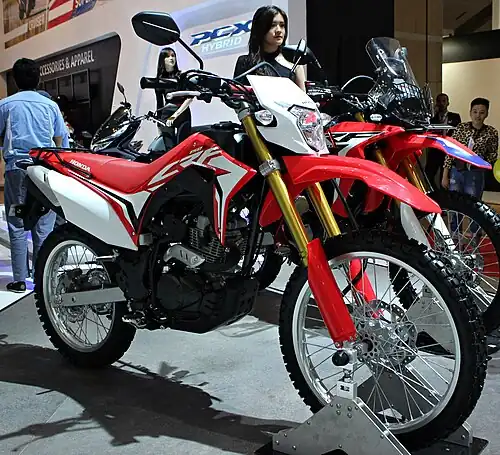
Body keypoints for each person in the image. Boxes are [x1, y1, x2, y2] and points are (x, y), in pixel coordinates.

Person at [0, 58, 66, 292]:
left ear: (15, 80)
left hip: (16, 170)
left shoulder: (5, 105)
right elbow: (61, 140)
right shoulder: (50, 106)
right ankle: (41, 279)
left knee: (16, 223)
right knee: (44, 225)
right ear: (38, 78)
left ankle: (19, 280)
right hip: (45, 170)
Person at [442, 97, 499, 240]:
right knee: (455, 204)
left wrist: (482, 162)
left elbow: (492, 154)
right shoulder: (461, 128)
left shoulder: (491, 132)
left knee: (474, 205)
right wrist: (445, 174)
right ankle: (455, 235)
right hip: (457, 170)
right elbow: (451, 151)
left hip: (475, 172)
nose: (478, 115)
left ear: (486, 114)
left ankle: (474, 236)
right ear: (470, 112)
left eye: (482, 112)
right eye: (475, 111)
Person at [233, 5, 306, 91]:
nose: (279, 30)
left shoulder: (294, 63)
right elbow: (236, 96)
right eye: (272, 25)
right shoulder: (245, 62)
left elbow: (304, 98)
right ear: (260, 29)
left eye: (282, 25)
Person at [155, 47, 192, 148]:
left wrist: (175, 115)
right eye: (167, 56)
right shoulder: (159, 80)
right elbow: (159, 103)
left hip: (182, 112)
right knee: (169, 148)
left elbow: (190, 97)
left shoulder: (182, 76)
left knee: (182, 147)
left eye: (173, 56)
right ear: (162, 60)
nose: (171, 58)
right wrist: (159, 124)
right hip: (167, 112)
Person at [425, 93, 461, 188]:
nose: (441, 103)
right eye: (439, 101)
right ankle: (434, 193)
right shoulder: (432, 119)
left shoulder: (455, 117)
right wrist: (433, 114)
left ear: (448, 103)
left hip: (448, 150)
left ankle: (443, 194)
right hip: (435, 150)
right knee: (428, 174)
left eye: (444, 101)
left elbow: (458, 132)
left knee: (444, 177)